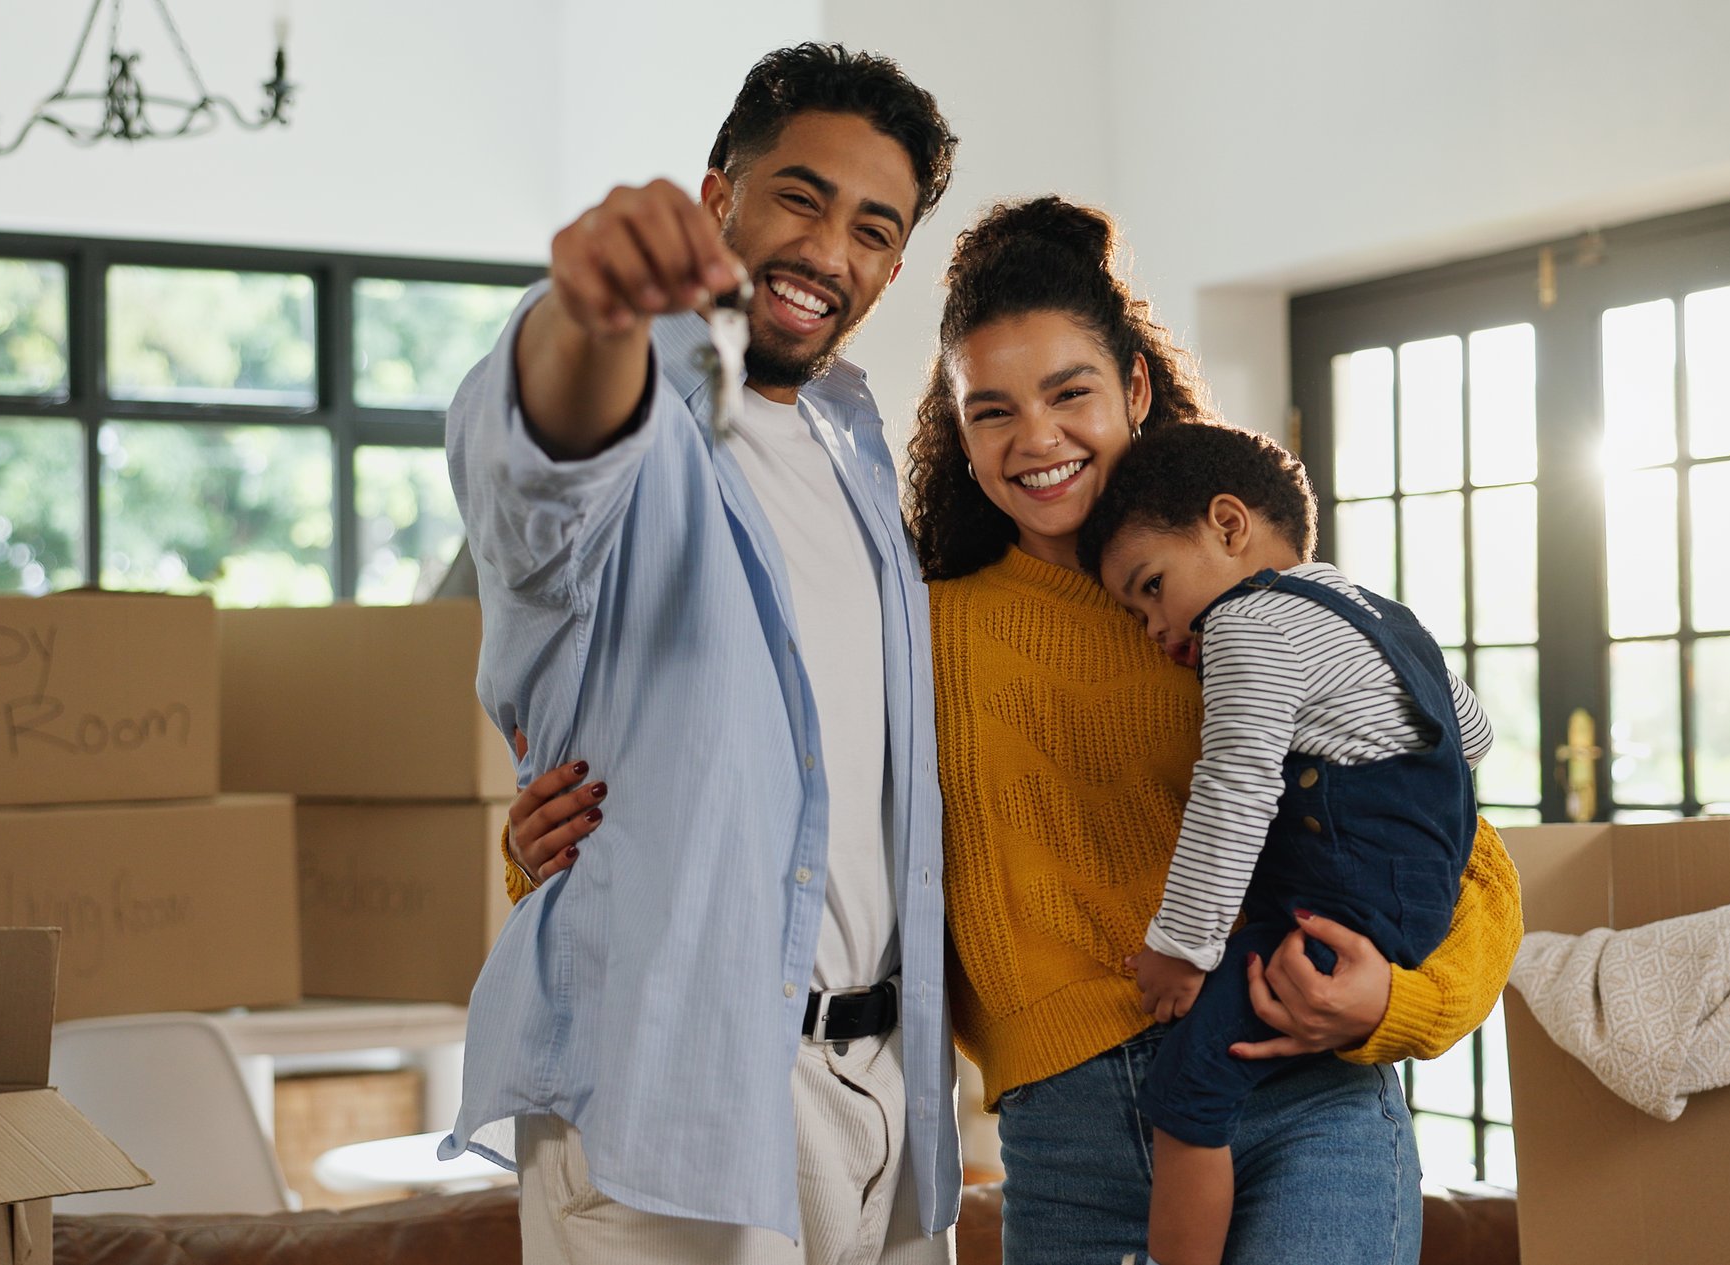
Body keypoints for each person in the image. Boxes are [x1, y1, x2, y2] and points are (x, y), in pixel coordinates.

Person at [508, 196, 1522, 1263]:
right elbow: (756, 789)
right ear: (957, 426)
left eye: (1069, 391)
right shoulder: (922, 628)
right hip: (1066, 1138)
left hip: (1304, 1101)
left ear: (1134, 385)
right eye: (990, 409)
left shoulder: (1254, 612)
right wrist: (550, 852)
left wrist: (1391, 1002)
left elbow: (1463, 849)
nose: (1036, 438)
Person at [439, 44, 962, 1265]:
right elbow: (543, 461)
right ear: (719, 188)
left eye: (873, 229)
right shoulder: (637, 411)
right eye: (801, 196)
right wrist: (591, 311)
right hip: (675, 1098)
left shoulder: (858, 450)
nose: (830, 252)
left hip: (885, 1100)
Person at [1075, 422, 1487, 1265]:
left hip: (1345, 904)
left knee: (1189, 1089)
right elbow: (1469, 735)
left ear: (1230, 526)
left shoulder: (1248, 620)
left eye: (1152, 587)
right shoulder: (1381, 612)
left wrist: (1181, 948)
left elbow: (1234, 786)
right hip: (1412, 902)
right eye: (1137, 610)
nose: (1154, 625)